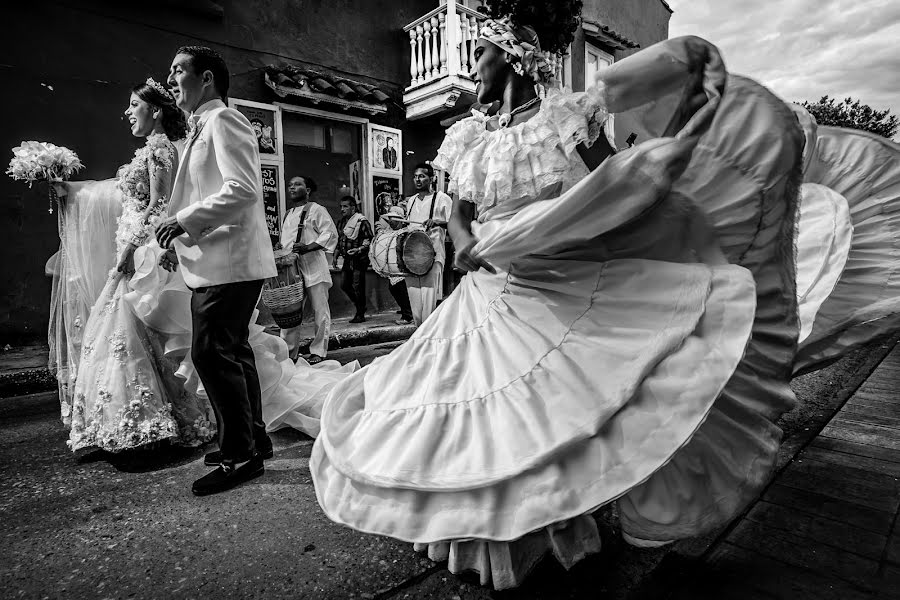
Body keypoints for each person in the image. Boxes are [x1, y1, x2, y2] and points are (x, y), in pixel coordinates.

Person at [308, 1, 812, 589]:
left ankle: (544, 528)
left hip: (554, 278)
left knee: (546, 408)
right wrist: (467, 241)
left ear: (513, 58)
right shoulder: (469, 133)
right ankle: (473, 534)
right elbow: (458, 211)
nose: (475, 66)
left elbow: (613, 182)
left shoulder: (564, 115)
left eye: (482, 53)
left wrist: (663, 158)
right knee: (468, 404)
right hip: (487, 282)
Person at [49, 77, 218, 453]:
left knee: (130, 332)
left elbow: (159, 206)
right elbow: (117, 190)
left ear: (155, 110)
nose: (127, 112)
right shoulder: (150, 150)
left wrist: (128, 249)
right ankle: (140, 419)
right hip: (135, 249)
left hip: (141, 254)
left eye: (133, 105)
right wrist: (73, 190)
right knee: (133, 336)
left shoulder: (159, 149)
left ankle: (150, 421)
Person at [156, 45, 278, 496]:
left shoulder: (224, 120)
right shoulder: (200, 125)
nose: (171, 78)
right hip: (219, 260)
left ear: (206, 78)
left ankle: (239, 456)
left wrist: (183, 222)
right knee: (233, 350)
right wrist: (179, 233)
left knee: (211, 353)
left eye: (178, 69)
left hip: (228, 261)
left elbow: (243, 190)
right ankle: (253, 440)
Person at [276, 175, 337, 364]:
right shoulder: (287, 214)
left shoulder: (317, 210)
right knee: (290, 312)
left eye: (297, 184)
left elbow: (330, 233)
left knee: (320, 311)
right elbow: (287, 241)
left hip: (314, 267)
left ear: (308, 190)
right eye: (290, 185)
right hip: (293, 271)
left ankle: (318, 351)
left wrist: (308, 247)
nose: (292, 188)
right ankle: (288, 353)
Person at [402, 163, 452, 325]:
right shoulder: (411, 201)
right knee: (415, 301)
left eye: (422, 176)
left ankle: (427, 340)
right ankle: (419, 335)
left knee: (428, 302)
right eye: (415, 176)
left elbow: (454, 224)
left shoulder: (443, 199)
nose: (417, 179)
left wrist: (438, 222)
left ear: (432, 179)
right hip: (411, 257)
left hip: (433, 254)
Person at [373, 198, 414, 324]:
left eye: (393, 219)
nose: (391, 222)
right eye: (389, 219)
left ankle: (408, 316)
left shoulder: (406, 233)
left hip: (404, 268)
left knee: (402, 290)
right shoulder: (389, 233)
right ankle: (406, 312)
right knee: (395, 289)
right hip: (394, 270)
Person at [334, 196, 373, 323]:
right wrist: (335, 256)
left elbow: (369, 240)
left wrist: (359, 249)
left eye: (345, 206)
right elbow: (340, 241)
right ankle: (361, 306)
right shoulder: (341, 223)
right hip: (347, 259)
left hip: (359, 259)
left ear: (353, 208)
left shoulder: (361, 221)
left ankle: (360, 313)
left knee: (357, 286)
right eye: (341, 206)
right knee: (344, 285)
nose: (342, 209)